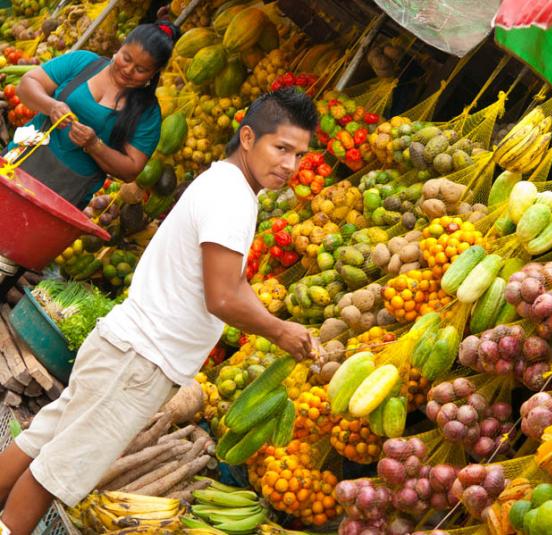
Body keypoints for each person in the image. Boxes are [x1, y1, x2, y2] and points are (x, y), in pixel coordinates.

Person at [0, 88, 318, 535]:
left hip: (123, 342)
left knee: (42, 441)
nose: (290, 165)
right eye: (281, 148)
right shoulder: (233, 200)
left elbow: (230, 281)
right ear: (248, 137)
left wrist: (269, 316)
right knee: (57, 472)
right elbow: (223, 297)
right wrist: (278, 331)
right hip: (140, 361)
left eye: (299, 155)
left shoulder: (221, 182)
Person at [0, 21, 178, 303]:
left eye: (140, 69)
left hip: (63, 195)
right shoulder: (85, 63)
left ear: (153, 74)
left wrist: (95, 145)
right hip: (21, 164)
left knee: (10, 260)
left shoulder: (147, 114)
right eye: (126, 58)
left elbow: (131, 169)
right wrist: (52, 106)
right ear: (119, 47)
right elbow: (27, 85)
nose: (128, 70)